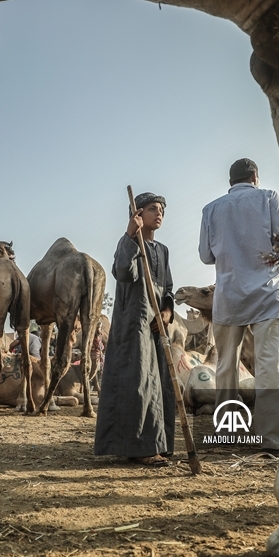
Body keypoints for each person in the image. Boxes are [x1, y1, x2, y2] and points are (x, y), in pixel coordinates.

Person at [199, 158, 279, 448]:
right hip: (268, 294)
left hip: (230, 296)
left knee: (225, 366)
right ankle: (270, 437)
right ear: (255, 176)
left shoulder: (211, 209)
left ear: (231, 181)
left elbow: (205, 256)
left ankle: (229, 431)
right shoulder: (270, 198)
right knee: (270, 365)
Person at [94, 192, 176, 467]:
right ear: (138, 215)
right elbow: (123, 272)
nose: (159, 213)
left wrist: (166, 312)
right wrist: (130, 236)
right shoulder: (128, 243)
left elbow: (168, 289)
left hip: (156, 326)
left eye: (161, 209)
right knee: (137, 382)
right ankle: (139, 447)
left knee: (158, 383)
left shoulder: (162, 251)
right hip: (134, 322)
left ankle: (157, 443)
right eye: (153, 209)